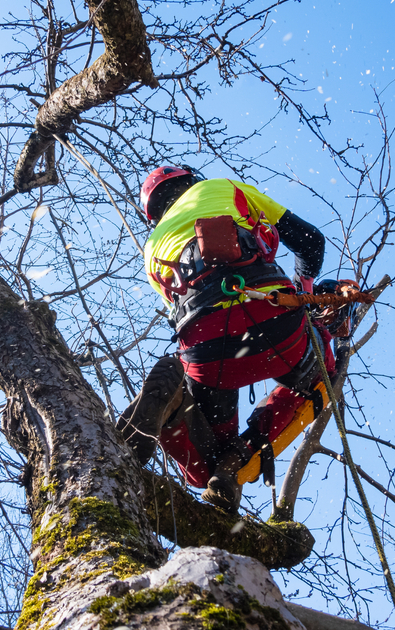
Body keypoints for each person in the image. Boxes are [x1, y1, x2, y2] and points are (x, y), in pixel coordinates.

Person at [119, 165, 334, 513]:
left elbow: (190, 312)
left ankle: (174, 410)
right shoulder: (223, 188)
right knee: (321, 375)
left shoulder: (152, 248)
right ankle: (238, 459)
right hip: (273, 318)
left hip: (208, 350)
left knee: (203, 466)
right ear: (191, 181)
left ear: (154, 211)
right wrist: (304, 290)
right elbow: (311, 242)